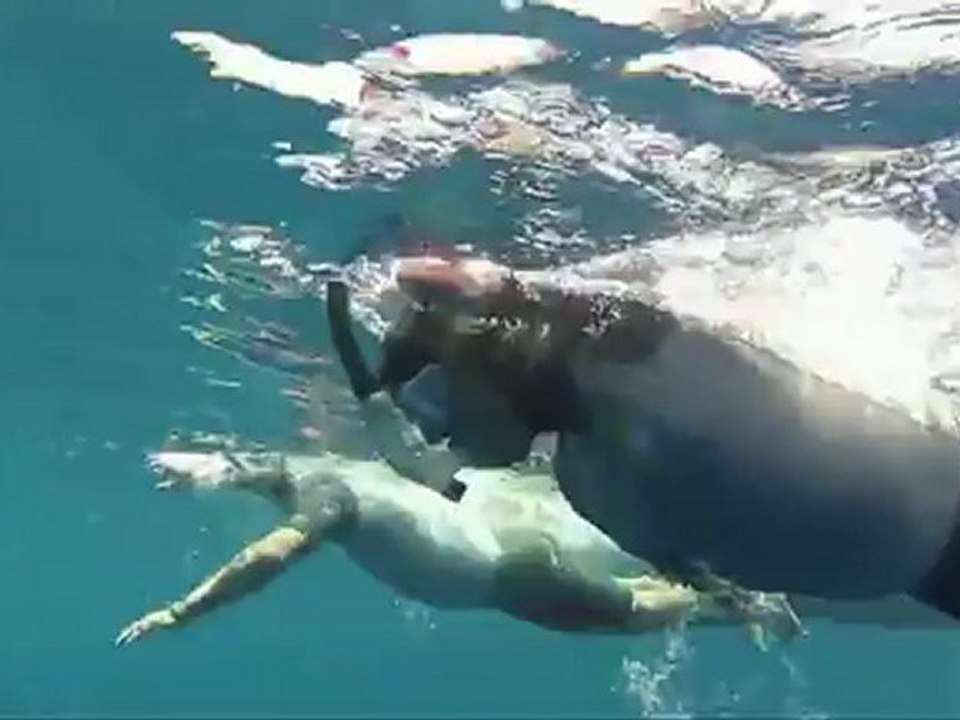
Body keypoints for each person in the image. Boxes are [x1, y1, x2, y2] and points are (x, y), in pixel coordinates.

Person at [334, 256, 960, 622]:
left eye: (434, 405)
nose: (438, 432)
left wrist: (460, 285)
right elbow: (696, 570)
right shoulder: (584, 483)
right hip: (922, 573)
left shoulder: (629, 351)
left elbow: (463, 284)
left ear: (482, 359)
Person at [115, 396, 802, 647]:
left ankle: (742, 603)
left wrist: (182, 611)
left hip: (512, 576)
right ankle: (725, 593)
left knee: (635, 616)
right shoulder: (334, 473)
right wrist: (207, 470)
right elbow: (260, 471)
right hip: (508, 553)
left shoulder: (329, 496)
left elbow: (265, 560)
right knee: (618, 606)